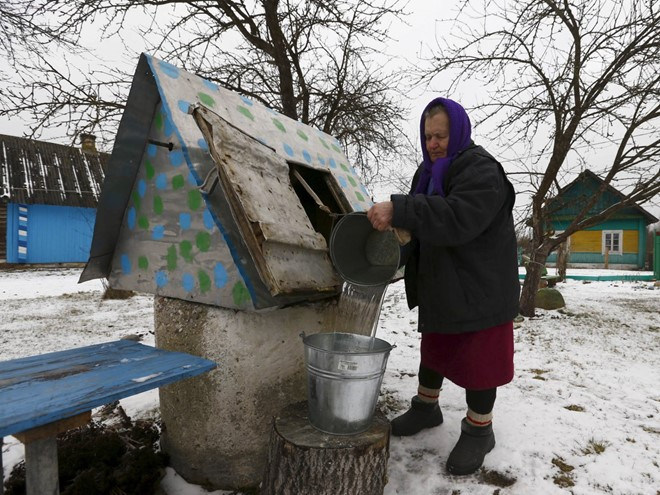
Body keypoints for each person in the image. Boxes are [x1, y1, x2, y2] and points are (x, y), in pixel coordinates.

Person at [367, 97, 520, 475]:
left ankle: (479, 430)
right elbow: (422, 226)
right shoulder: (429, 171)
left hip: (481, 286)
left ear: (459, 132)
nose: (433, 143)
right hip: (445, 283)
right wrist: (388, 256)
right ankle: (426, 408)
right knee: (435, 348)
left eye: (441, 135)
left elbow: (458, 217)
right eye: (428, 136)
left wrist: (400, 209)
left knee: (479, 360)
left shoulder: (480, 169)